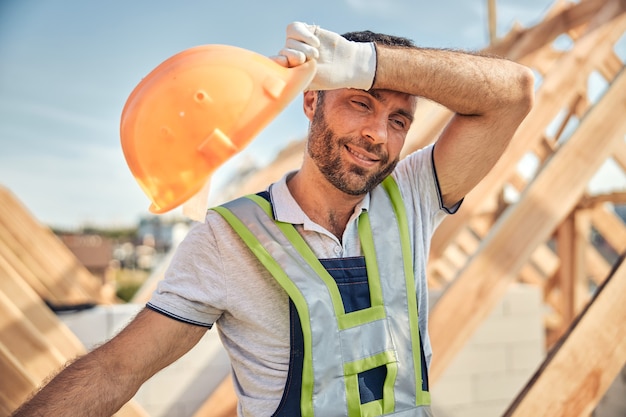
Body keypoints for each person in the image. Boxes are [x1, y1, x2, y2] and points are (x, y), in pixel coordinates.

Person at [12, 22, 534, 417]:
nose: (378, 133)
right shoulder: (228, 239)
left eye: (398, 120)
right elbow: (117, 369)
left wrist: (366, 63)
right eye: (360, 103)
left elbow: (514, 93)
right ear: (311, 101)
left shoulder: (413, 195)